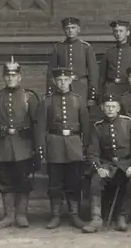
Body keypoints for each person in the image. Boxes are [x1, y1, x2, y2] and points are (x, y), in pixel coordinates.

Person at [0, 56, 40, 229]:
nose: (11, 78)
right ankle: (9, 216)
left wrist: (37, 148)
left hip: (23, 146)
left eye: (14, 75)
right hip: (2, 147)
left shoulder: (29, 97)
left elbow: (37, 124)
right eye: (7, 75)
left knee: (23, 180)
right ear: (4, 77)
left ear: (20, 77)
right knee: (5, 181)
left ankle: (21, 215)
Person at [82, 94, 131, 233]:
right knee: (95, 181)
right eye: (107, 106)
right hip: (108, 165)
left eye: (113, 106)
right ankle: (96, 218)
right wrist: (98, 168)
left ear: (118, 108)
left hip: (127, 164)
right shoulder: (98, 127)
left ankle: (123, 216)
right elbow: (92, 153)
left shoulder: (128, 123)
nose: (110, 109)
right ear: (102, 108)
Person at [36, 67, 90, 230]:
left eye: (66, 80)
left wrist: (85, 147)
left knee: (74, 181)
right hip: (54, 143)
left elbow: (85, 127)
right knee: (54, 182)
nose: (63, 83)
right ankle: (55, 215)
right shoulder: (47, 101)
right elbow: (40, 127)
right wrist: (42, 149)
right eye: (59, 80)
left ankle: (75, 215)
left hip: (74, 144)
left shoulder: (78, 100)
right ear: (54, 81)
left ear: (71, 80)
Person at [46, 17, 99, 105]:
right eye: (67, 28)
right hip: (62, 87)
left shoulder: (86, 47)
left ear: (79, 29)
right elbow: (51, 72)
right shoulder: (58, 47)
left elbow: (93, 72)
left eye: (73, 28)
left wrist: (92, 95)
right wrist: (50, 91)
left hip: (81, 87)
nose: (70, 31)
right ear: (64, 30)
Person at [99, 20, 131, 95]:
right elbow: (102, 76)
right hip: (110, 89)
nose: (118, 34)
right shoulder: (109, 52)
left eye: (121, 31)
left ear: (127, 33)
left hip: (127, 89)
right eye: (116, 31)